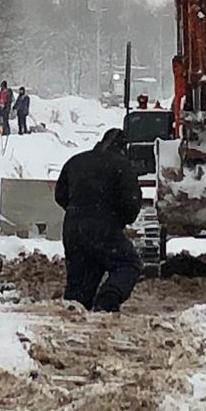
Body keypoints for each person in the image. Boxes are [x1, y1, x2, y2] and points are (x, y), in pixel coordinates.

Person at [54, 128, 144, 312]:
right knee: (129, 264)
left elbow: (60, 195)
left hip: (73, 228)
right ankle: (107, 300)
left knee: (81, 282)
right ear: (123, 148)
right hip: (103, 226)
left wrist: (78, 211)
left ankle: (74, 314)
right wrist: (116, 220)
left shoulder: (76, 161)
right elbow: (131, 204)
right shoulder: (123, 165)